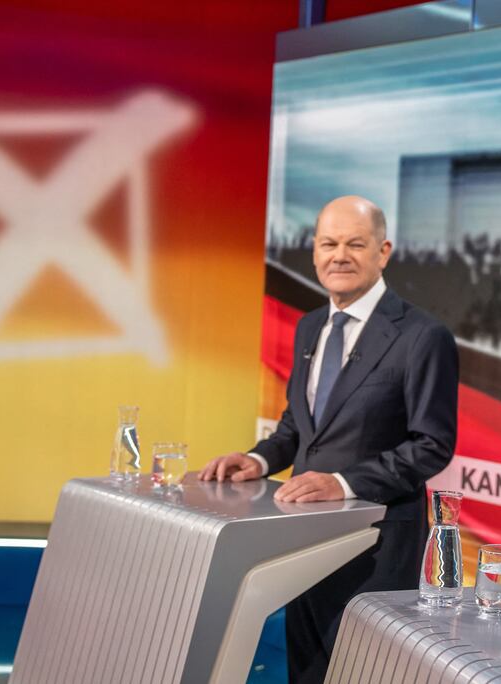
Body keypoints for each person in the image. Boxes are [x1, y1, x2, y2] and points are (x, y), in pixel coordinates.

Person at [199, 195, 458, 684]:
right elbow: (299, 427)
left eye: (355, 244)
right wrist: (258, 459)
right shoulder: (310, 326)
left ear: (383, 252)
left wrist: (342, 482)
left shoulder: (423, 336)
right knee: (306, 671)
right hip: (304, 541)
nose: (339, 256)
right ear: (315, 252)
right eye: (328, 244)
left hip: (377, 548)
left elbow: (432, 444)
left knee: (365, 674)